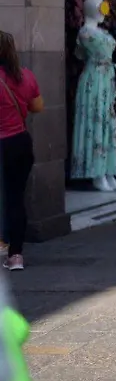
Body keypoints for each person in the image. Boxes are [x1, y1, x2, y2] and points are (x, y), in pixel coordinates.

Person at [0, 31, 43, 271]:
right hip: (19, 143)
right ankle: (16, 255)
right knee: (15, 198)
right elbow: (38, 106)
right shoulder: (25, 76)